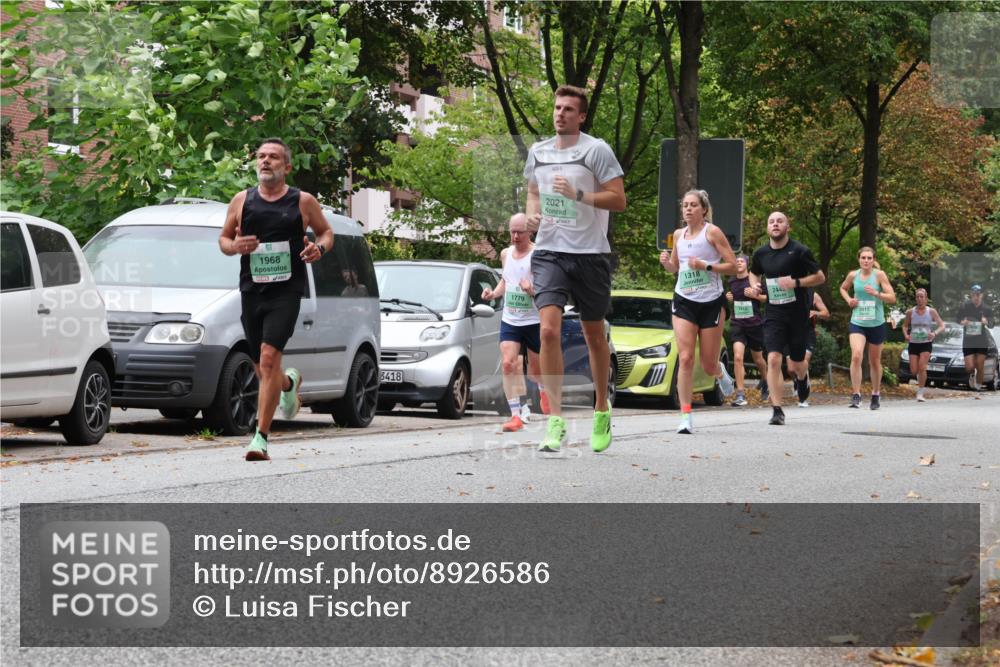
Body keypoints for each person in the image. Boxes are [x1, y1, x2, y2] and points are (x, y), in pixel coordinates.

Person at [524, 84, 626, 453]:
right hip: (550, 251)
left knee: (594, 336)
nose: (560, 113)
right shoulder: (539, 151)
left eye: (568, 109)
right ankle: (555, 419)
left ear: (581, 116)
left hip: (590, 254)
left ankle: (601, 408)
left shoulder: (596, 150)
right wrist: (533, 211)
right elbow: (534, 190)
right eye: (556, 107)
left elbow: (619, 199)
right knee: (548, 331)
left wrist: (579, 195)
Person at [220, 138, 333, 461]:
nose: (266, 161)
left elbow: (326, 233)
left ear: (287, 166)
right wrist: (235, 247)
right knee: (263, 367)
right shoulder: (242, 201)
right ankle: (288, 384)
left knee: (269, 358)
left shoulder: (302, 201)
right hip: (252, 290)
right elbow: (224, 239)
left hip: (287, 290)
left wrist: (319, 248)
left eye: (273, 157)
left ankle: (260, 438)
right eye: (261, 156)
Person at [658, 190, 738, 433]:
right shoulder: (679, 235)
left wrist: (707, 265)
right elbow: (675, 267)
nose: (688, 209)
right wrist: (666, 264)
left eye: (693, 205)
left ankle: (720, 372)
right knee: (685, 358)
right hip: (684, 300)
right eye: (685, 205)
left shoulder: (712, 232)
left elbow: (733, 266)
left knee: (707, 364)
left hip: (711, 302)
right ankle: (686, 416)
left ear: (703, 209)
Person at [749, 211, 826, 426]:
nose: (775, 224)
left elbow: (820, 277)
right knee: (773, 358)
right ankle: (776, 409)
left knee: (797, 363)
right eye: (771, 221)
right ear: (768, 228)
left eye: (779, 221)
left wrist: (796, 283)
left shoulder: (800, 251)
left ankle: (803, 379)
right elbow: (754, 272)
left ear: (787, 226)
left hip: (798, 313)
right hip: (774, 312)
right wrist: (754, 284)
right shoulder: (761, 253)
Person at [481, 213, 549, 433]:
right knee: (509, 364)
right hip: (511, 319)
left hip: (534, 320)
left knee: (536, 370)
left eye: (520, 231)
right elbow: (506, 280)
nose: (515, 236)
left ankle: (543, 391)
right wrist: (493, 294)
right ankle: (516, 415)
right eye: (512, 231)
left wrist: (532, 290)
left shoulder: (538, 255)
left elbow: (548, 288)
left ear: (530, 232)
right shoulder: (505, 254)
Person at [839, 246, 896, 410]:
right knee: (856, 355)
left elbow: (892, 297)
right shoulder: (853, 275)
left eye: (869, 258)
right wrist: (849, 300)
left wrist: (877, 294)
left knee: (874, 361)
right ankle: (856, 394)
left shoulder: (879, 275)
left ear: (873, 260)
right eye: (863, 258)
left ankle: (876, 393)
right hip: (858, 321)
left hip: (876, 323)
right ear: (859, 259)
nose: (866, 261)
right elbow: (843, 288)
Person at [725, 255, 769, 406]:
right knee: (738, 358)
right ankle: (740, 395)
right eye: (736, 261)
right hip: (738, 324)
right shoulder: (731, 281)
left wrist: (755, 296)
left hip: (754, 324)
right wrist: (728, 297)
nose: (738, 263)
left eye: (741, 261)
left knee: (758, 359)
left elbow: (766, 299)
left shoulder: (754, 280)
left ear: (747, 265)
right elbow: (731, 298)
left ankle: (766, 381)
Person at [902, 287, 945, 401]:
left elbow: (942, 325)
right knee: (914, 370)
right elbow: (905, 325)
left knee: (922, 367)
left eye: (922, 297)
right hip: (914, 343)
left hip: (926, 343)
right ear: (916, 299)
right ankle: (920, 376)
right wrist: (906, 335)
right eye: (917, 297)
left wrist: (934, 333)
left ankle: (920, 393)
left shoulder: (931, 311)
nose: (920, 299)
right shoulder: (910, 312)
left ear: (926, 299)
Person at [957, 284, 995, 390]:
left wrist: (986, 321)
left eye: (978, 295)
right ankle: (972, 375)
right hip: (968, 340)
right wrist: (962, 322)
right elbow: (957, 319)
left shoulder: (987, 308)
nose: (976, 297)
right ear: (971, 295)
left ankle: (978, 387)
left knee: (980, 364)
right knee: (969, 367)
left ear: (982, 295)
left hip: (981, 340)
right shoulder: (965, 306)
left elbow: (992, 323)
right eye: (974, 295)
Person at [796, 290, 831, 407]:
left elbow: (826, 313)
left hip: (808, 333)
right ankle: (801, 379)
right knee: (792, 368)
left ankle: (802, 394)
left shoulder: (813, 295)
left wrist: (815, 312)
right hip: (792, 332)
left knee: (804, 361)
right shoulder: (788, 292)